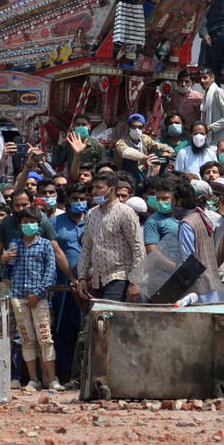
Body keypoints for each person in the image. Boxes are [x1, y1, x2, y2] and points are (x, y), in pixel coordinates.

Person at [0, 207, 60, 391]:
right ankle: (33, 379)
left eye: (32, 222)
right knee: (26, 339)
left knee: (45, 338)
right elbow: (6, 274)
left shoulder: (45, 245)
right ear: (19, 225)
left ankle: (51, 379)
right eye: (25, 222)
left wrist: (38, 293)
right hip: (18, 297)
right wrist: (4, 260)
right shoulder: (14, 246)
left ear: (38, 224)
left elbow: (50, 272)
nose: (28, 225)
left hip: (39, 298)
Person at [76, 173, 145, 303]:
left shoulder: (126, 212)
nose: (94, 191)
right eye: (93, 187)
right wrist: (82, 277)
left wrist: (135, 282)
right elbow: (87, 248)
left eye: (99, 187)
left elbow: (138, 248)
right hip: (97, 279)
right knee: (97, 315)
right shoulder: (91, 214)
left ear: (112, 189)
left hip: (119, 277)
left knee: (109, 313)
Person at [50, 183, 88, 382]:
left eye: (82, 198)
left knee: (88, 328)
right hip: (64, 286)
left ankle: (85, 373)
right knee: (64, 329)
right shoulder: (55, 222)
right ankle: (64, 374)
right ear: (66, 201)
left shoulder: (93, 219)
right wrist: (72, 277)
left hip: (91, 284)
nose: (79, 202)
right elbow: (54, 252)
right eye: (75, 199)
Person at [174, 179, 221, 299]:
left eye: (172, 200)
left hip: (198, 288)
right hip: (211, 281)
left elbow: (187, 258)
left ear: (179, 201)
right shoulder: (201, 216)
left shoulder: (187, 223)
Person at [113, 113, 172, 181]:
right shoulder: (121, 142)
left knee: (164, 160)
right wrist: (148, 158)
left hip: (143, 171)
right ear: (129, 127)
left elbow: (167, 148)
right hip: (127, 174)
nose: (136, 129)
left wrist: (162, 158)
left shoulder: (145, 139)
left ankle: (162, 183)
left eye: (140, 127)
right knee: (130, 160)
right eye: (133, 127)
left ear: (144, 128)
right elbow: (127, 152)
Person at [54, 114, 107, 179]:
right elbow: (56, 163)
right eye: (78, 124)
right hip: (74, 181)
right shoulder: (70, 144)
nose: (81, 127)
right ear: (74, 127)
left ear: (89, 126)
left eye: (84, 124)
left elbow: (104, 167)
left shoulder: (97, 146)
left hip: (91, 180)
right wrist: (60, 144)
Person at [199, 66, 224, 144]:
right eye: (200, 78)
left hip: (218, 141)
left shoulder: (218, 92)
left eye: (205, 78)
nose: (202, 81)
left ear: (212, 78)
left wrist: (210, 127)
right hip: (208, 141)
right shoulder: (207, 94)